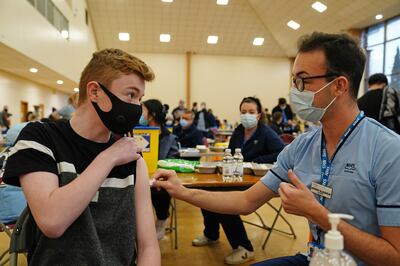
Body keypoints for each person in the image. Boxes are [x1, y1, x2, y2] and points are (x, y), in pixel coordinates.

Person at [152, 32, 400, 266]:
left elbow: (395, 255)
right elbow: (245, 200)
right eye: (294, 81)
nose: (295, 91)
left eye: (303, 81)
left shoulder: (388, 151)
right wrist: (182, 190)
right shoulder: (304, 145)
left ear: (339, 86)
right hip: (315, 258)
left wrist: (318, 214)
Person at [2, 48, 161, 265]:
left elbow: (148, 247)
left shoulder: (133, 160)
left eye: (140, 99)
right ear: (95, 91)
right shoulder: (41, 138)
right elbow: (52, 221)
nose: (137, 109)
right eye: (130, 95)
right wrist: (109, 157)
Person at [193, 97, 285, 265]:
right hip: (236, 176)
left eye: (251, 112)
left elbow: (282, 152)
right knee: (207, 191)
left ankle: (244, 247)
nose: (247, 115)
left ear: (258, 115)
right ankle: (211, 234)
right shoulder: (238, 131)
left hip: (257, 180)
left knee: (225, 200)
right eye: (243, 112)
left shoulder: (266, 133)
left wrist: (257, 159)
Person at [139, 99, 179, 239]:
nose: (139, 114)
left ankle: (161, 221)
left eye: (142, 111)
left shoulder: (170, 138)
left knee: (160, 189)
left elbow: (172, 160)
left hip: (158, 179)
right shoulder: (136, 132)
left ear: (152, 114)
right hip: (139, 177)